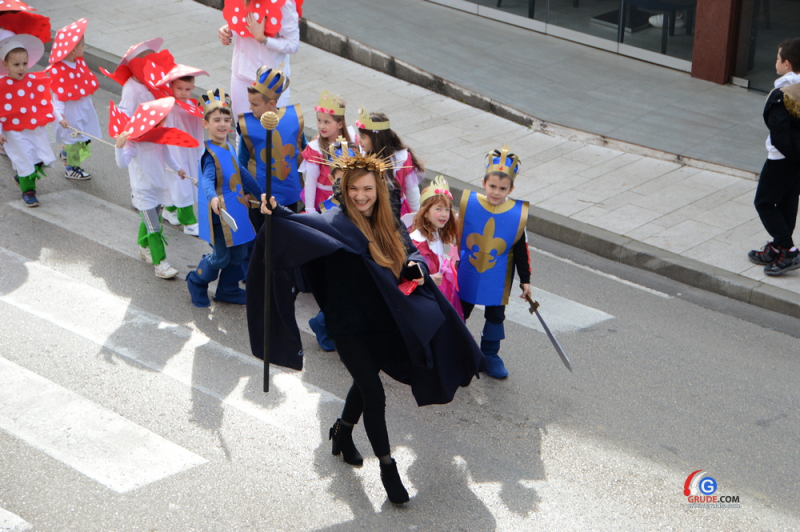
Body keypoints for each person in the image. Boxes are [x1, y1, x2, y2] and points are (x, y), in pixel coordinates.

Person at [246, 151, 486, 505]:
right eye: (354, 189)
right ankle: (388, 469)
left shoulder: (389, 224)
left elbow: (411, 254)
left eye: (368, 189)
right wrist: (267, 211)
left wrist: (417, 269)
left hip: (383, 321)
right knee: (374, 394)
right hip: (347, 326)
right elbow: (291, 224)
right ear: (344, 189)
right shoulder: (332, 222)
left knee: (365, 383)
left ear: (378, 190)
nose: (361, 195)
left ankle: (342, 433)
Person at [458, 146, 531, 379]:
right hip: (467, 269)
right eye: (492, 186)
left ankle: (490, 354)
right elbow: (454, 237)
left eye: (502, 188)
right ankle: (454, 348)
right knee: (460, 310)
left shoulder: (517, 215)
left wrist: (525, 281)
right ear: (483, 183)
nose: (496, 192)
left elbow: (521, 251)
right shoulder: (469, 205)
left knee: (496, 315)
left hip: (499, 274)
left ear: (511, 189)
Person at [187, 89, 262, 307]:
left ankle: (227, 289)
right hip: (220, 216)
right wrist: (212, 197)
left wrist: (261, 193)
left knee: (239, 254)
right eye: (217, 120)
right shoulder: (209, 154)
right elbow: (207, 180)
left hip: (236, 212)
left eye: (226, 119)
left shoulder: (228, 146)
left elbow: (242, 173)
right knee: (221, 257)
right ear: (205, 124)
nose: (222, 124)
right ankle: (196, 281)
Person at [113, 96, 195, 279]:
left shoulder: (159, 138)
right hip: (143, 192)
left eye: (163, 121)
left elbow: (168, 156)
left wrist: (179, 170)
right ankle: (160, 264)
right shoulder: (133, 142)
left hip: (159, 188)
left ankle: (143, 247)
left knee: (152, 220)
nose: (162, 124)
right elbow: (122, 163)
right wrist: (119, 146)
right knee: (154, 227)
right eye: (159, 122)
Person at [748, 37, 800, 276]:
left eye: (778, 58)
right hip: (797, 160)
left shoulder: (784, 92)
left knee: (764, 202)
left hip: (781, 159)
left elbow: (779, 134)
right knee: (788, 201)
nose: (775, 62)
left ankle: (788, 250)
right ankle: (779, 247)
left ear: (787, 63)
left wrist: (791, 157)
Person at [0, 30, 62, 207]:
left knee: (41, 157)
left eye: (25, 63)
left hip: (35, 129)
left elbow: (46, 103)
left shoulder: (33, 81)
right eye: (16, 64)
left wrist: (59, 119)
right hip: (15, 133)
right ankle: (28, 191)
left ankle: (21, 176)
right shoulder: (2, 86)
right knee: (25, 158)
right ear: (5, 64)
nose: (22, 68)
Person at [238, 64, 306, 213]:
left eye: (255, 104)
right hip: (260, 194)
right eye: (250, 103)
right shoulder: (247, 125)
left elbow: (304, 150)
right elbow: (242, 160)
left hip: (290, 191)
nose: (250, 108)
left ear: (271, 104)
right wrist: (245, 190)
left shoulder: (293, 119)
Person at [218, 0, 300, 117]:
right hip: (242, 75)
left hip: (272, 82)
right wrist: (229, 29)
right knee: (242, 127)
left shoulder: (284, 4)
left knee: (273, 127)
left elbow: (293, 45)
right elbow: (241, 23)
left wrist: (264, 40)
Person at [155, 64, 208, 236]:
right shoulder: (168, 106)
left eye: (187, 89)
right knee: (181, 181)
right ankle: (188, 221)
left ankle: (170, 209)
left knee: (180, 181)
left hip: (189, 150)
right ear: (171, 86)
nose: (183, 93)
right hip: (174, 150)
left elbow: (197, 127)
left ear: (193, 88)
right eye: (179, 88)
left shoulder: (192, 105)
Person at [47, 18, 101, 181]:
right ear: (72, 50)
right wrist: (60, 115)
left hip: (81, 108)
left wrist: (88, 103)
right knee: (74, 139)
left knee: (83, 135)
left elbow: (83, 85)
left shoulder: (78, 62)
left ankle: (65, 153)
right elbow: (58, 96)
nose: (84, 47)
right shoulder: (59, 70)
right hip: (71, 113)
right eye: (82, 45)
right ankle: (71, 168)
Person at [410, 176, 463, 319]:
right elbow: (410, 277)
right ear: (425, 212)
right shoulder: (417, 242)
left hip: (435, 293)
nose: (444, 214)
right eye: (438, 209)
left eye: (447, 209)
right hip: (423, 301)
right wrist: (429, 280)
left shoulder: (436, 232)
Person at [356, 107, 424, 217]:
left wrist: (417, 216)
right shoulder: (361, 154)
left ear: (376, 139)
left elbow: (412, 191)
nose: (359, 140)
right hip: (369, 211)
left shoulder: (401, 159)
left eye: (363, 137)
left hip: (394, 213)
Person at [300, 90, 355, 212]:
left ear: (339, 124)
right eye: (319, 120)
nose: (321, 126)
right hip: (324, 200)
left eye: (326, 122)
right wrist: (310, 210)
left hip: (350, 197)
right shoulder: (315, 149)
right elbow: (310, 182)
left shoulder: (351, 139)